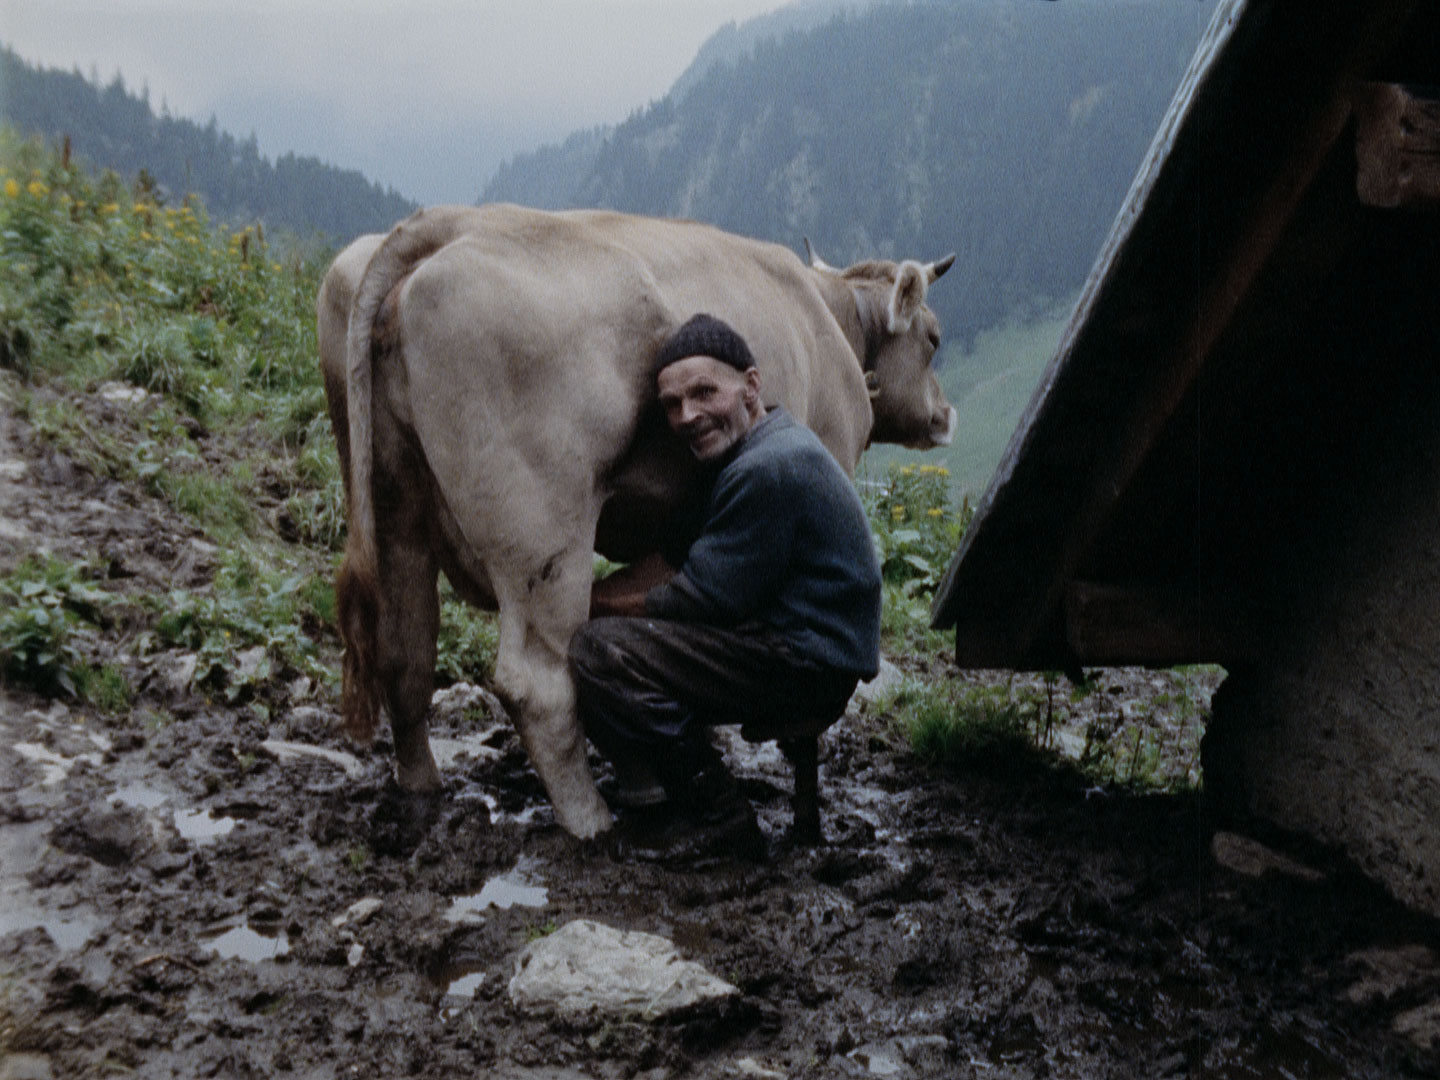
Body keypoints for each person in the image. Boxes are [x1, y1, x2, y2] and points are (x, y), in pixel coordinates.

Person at [567, 313, 882, 861]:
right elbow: (668, 558)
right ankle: (659, 792)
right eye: (671, 404)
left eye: (704, 392)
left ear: (751, 386)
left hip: (809, 661)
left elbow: (701, 600)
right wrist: (592, 597)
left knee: (603, 651)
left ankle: (719, 818)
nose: (687, 416)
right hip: (804, 641)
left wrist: (582, 606)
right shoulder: (750, 452)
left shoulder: (769, 467)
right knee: (613, 634)